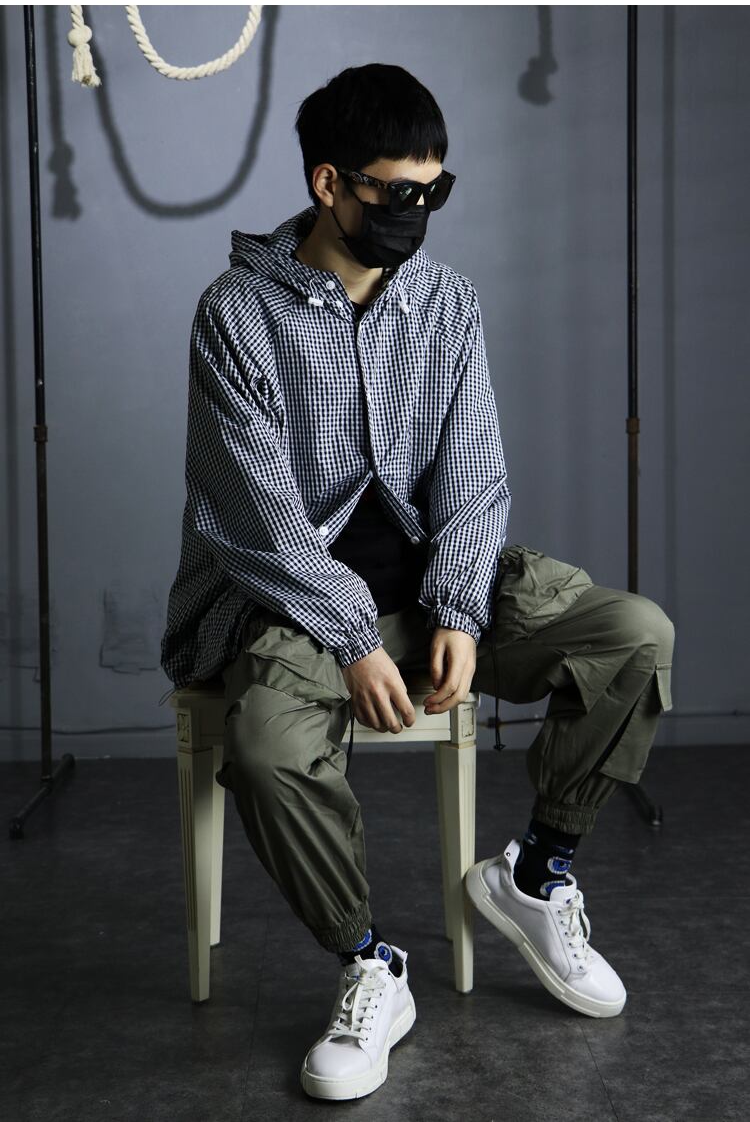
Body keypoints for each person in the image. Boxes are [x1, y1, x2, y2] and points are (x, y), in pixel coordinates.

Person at [160, 63, 675, 1102]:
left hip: (436, 584)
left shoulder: (446, 303)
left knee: (635, 633)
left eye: (435, 191)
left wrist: (460, 611)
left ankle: (536, 874)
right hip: (295, 604)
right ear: (329, 183)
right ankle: (370, 962)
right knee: (264, 750)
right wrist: (354, 638)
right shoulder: (236, 315)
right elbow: (255, 517)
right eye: (397, 192)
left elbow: (475, 478)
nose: (419, 212)